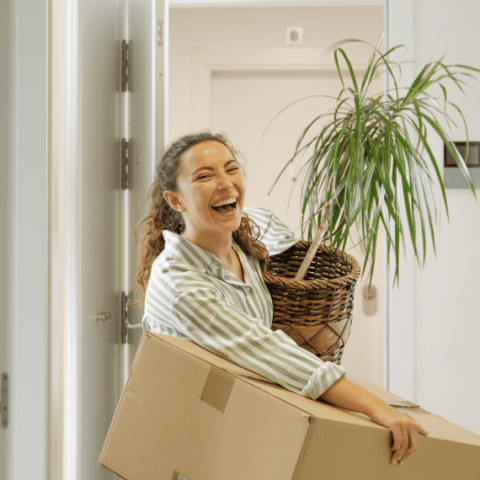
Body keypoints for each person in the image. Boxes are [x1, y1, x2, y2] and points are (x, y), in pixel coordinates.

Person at [135, 131, 428, 467]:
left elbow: (270, 226)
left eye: (231, 169)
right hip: (187, 449)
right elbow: (264, 349)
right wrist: (377, 408)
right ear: (176, 201)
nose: (225, 183)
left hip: (238, 436)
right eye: (204, 175)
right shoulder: (178, 281)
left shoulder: (241, 249)